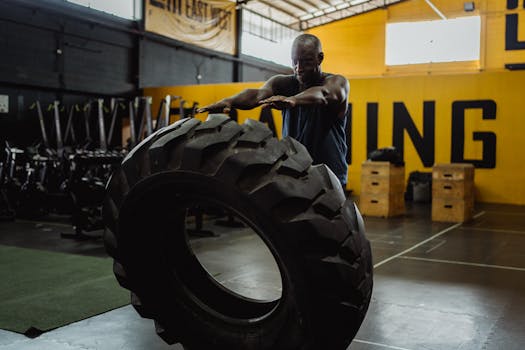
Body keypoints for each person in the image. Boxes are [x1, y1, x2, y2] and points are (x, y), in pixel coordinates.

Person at [196, 33, 349, 187]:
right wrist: (228, 101)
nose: (298, 68)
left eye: (306, 62)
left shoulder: (337, 82)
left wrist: (294, 100)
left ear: (320, 58)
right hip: (294, 171)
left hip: (330, 177)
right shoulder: (283, 83)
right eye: (295, 62)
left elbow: (324, 94)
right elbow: (257, 95)